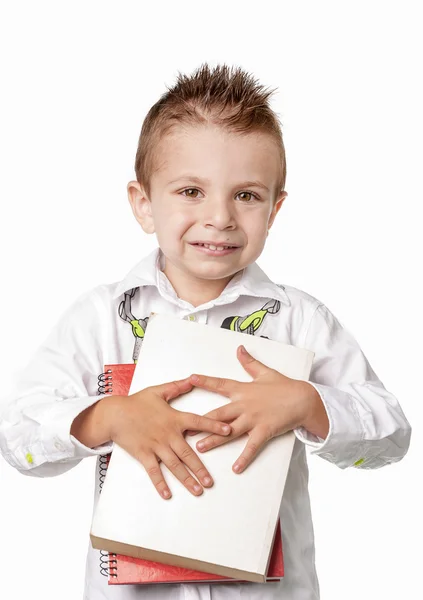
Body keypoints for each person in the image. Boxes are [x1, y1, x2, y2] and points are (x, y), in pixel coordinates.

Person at [0, 63, 411, 600]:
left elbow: (391, 437)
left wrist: (308, 404)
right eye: (191, 191)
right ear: (143, 203)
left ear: (275, 208)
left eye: (246, 195)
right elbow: (18, 439)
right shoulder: (101, 318)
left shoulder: (300, 320)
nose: (219, 217)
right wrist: (105, 416)